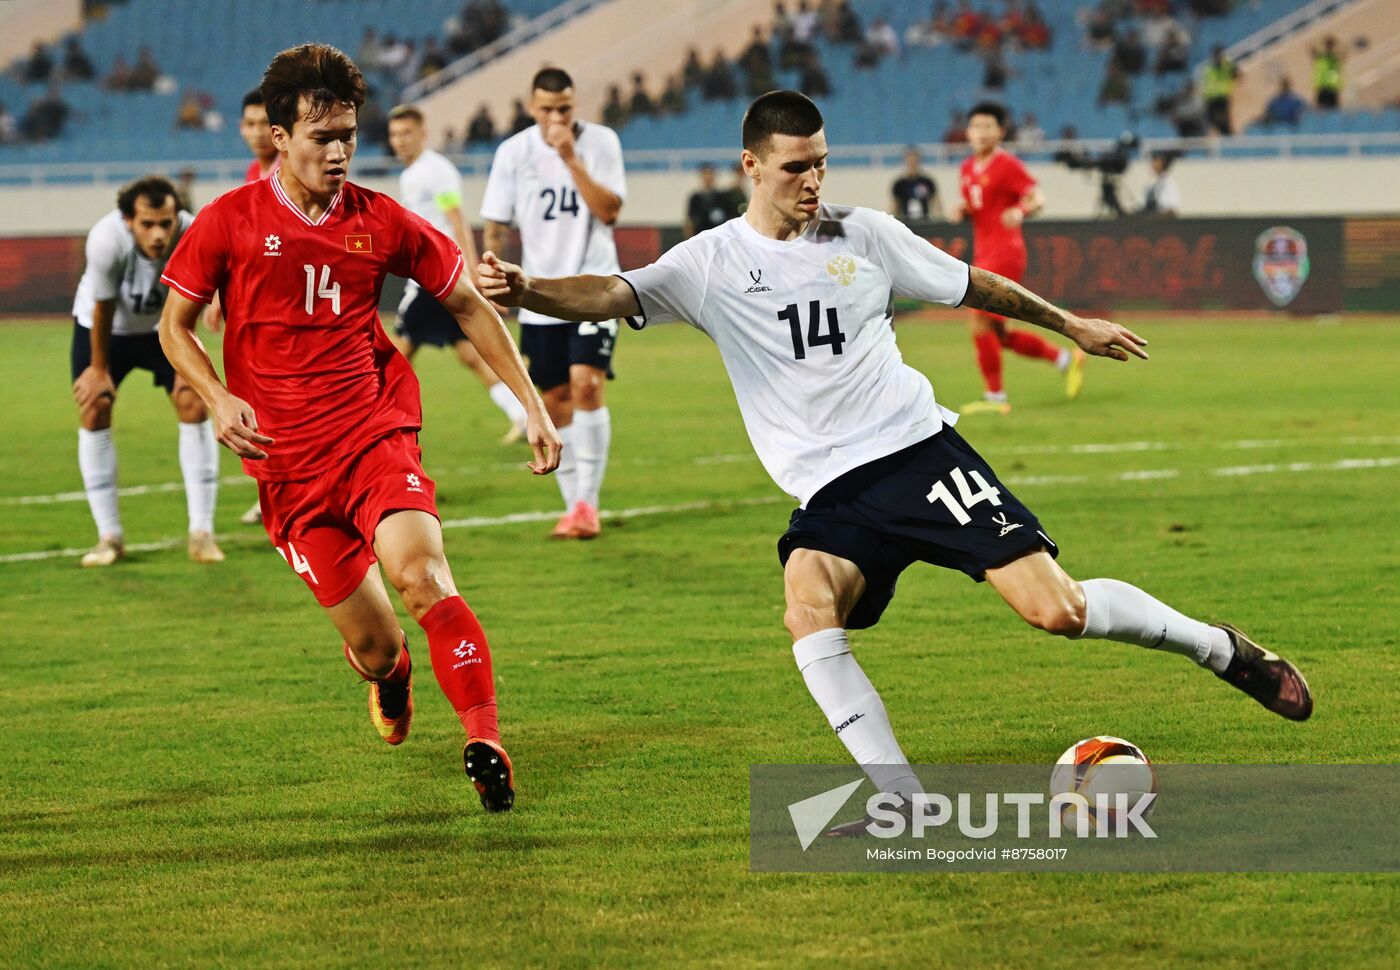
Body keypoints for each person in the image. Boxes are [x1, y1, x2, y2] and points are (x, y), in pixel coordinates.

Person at [477, 89, 1314, 828]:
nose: (814, 182)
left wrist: (1071, 325)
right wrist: (530, 291)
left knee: (1055, 610)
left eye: (822, 165)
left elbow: (976, 285)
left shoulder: (866, 235)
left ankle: (1223, 650)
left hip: (918, 454)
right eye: (797, 167)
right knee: (806, 606)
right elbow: (613, 291)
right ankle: (904, 801)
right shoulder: (710, 263)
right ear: (751, 166)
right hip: (832, 492)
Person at [157, 43, 560, 814]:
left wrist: (533, 404)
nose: (339, 151)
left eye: (348, 134)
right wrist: (214, 395)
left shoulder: (381, 221)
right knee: (375, 648)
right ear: (279, 136)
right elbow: (176, 327)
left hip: (373, 434)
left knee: (423, 574)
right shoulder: (229, 222)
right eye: (321, 138)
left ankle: (485, 737)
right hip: (285, 466)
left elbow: (469, 304)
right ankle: (394, 676)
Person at [481, 68, 626, 539]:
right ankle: (573, 506)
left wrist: (570, 158)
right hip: (538, 294)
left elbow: (609, 211)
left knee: (586, 386)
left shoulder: (601, 143)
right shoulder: (514, 152)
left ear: (575, 103)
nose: (556, 116)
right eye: (546, 109)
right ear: (531, 106)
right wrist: (496, 276)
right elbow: (497, 223)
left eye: (564, 107)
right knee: (554, 402)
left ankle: (588, 503)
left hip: (595, 288)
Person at [70, 176, 223, 567]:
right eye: (147, 224)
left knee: (193, 403)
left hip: (163, 329)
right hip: (105, 330)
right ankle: (110, 537)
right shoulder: (106, 240)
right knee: (95, 407)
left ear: (177, 218)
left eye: (165, 223)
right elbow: (102, 306)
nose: (158, 235)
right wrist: (99, 369)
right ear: (128, 221)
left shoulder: (192, 229)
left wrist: (218, 302)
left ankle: (202, 533)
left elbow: (216, 271)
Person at [387, 104, 527, 442]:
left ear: (423, 133)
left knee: (395, 353)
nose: (400, 141)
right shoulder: (411, 174)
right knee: (470, 354)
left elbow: (457, 219)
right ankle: (523, 415)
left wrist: (472, 270)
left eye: (407, 133)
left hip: (434, 276)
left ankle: (381, 427)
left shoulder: (436, 171)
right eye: (394, 135)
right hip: (436, 275)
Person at [950, 102, 1083, 415]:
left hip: (1006, 252)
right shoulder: (967, 168)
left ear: (1001, 131)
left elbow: (1038, 197)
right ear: (967, 132)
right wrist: (964, 211)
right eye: (976, 126)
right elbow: (980, 207)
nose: (981, 133)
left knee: (978, 319)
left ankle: (995, 398)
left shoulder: (1007, 165)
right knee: (999, 335)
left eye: (988, 126)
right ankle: (1065, 359)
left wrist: (1020, 210)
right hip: (984, 252)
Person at [686, 162, 744, 237]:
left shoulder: (722, 196)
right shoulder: (696, 198)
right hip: (701, 236)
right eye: (705, 174)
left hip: (720, 236)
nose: (708, 177)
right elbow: (690, 220)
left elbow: (734, 188)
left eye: (710, 174)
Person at [890, 146, 941, 221]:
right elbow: (895, 205)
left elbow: (936, 202)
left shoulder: (927, 182)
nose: (912, 162)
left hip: (925, 221)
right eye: (910, 160)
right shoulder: (899, 184)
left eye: (915, 159)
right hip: (906, 222)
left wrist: (938, 220)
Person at [1203, 46, 1239, 135]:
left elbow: (1236, 75)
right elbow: (1206, 84)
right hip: (1210, 98)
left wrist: (1228, 63)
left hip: (1222, 96)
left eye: (1218, 55)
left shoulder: (1227, 65)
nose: (1216, 57)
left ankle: (1228, 136)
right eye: (1215, 55)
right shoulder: (1208, 68)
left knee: (1224, 120)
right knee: (1210, 121)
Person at [1140, 151, 1181, 217]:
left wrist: (1156, 216)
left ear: (1163, 163)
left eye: (1156, 161)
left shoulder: (1168, 183)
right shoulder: (1152, 185)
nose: (1153, 164)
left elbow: (1172, 210)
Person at [1312, 36, 1342, 109]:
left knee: (1334, 112)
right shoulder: (1321, 57)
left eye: (1330, 45)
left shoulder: (1335, 58)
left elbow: (1343, 54)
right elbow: (1312, 50)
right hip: (1322, 88)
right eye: (1327, 45)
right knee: (1321, 112)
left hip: (1332, 89)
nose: (1329, 47)